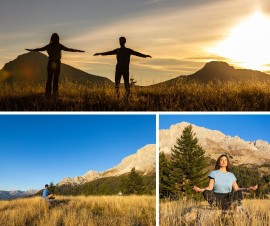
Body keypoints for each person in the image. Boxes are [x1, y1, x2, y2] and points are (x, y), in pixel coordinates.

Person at [25, 33, 85, 97]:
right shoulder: (59, 46)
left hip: (51, 63)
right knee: (55, 78)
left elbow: (39, 49)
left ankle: (48, 92)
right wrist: (78, 50)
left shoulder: (49, 46)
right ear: (58, 39)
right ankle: (55, 92)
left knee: (50, 78)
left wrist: (32, 50)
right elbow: (69, 49)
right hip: (57, 63)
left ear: (51, 38)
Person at [193, 154, 258, 211]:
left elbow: (237, 188)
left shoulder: (231, 175)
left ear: (227, 162)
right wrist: (199, 189)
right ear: (218, 162)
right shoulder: (213, 173)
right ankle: (215, 205)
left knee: (239, 192)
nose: (224, 161)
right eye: (221, 160)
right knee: (206, 192)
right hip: (216, 197)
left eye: (225, 160)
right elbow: (210, 188)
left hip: (228, 197)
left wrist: (248, 188)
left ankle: (233, 204)